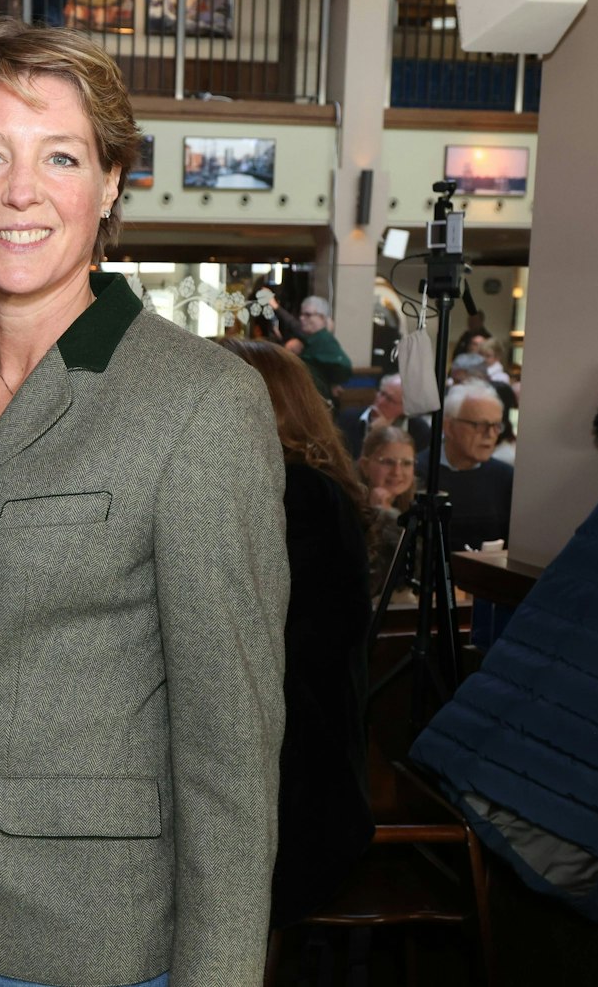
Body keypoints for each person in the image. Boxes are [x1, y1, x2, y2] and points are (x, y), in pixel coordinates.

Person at [0, 18, 290, 986]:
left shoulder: (199, 402)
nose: (20, 191)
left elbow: (230, 749)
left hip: (88, 938)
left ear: (110, 184)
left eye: (59, 156)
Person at [221, 339, 376, 928]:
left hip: (296, 788)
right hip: (293, 771)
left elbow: (248, 641)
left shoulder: (297, 494)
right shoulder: (303, 486)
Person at [436, 381, 513, 550]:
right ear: (449, 427)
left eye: (496, 426)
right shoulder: (420, 473)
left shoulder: (506, 477)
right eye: (480, 425)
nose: (490, 434)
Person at [358, 424, 418, 594]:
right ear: (365, 465)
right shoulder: (349, 505)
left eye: (406, 463)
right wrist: (380, 517)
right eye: (388, 462)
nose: (397, 472)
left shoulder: (418, 507)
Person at [338, 372, 433, 458]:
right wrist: (372, 437)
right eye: (382, 393)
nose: (380, 401)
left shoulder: (420, 431)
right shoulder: (347, 418)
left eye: (390, 400)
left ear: (405, 409)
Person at [285, 294, 353, 403]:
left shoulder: (323, 339)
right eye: (301, 314)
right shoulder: (311, 340)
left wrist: (334, 381)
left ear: (321, 318)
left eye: (307, 315)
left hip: (318, 403)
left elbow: (345, 365)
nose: (301, 318)